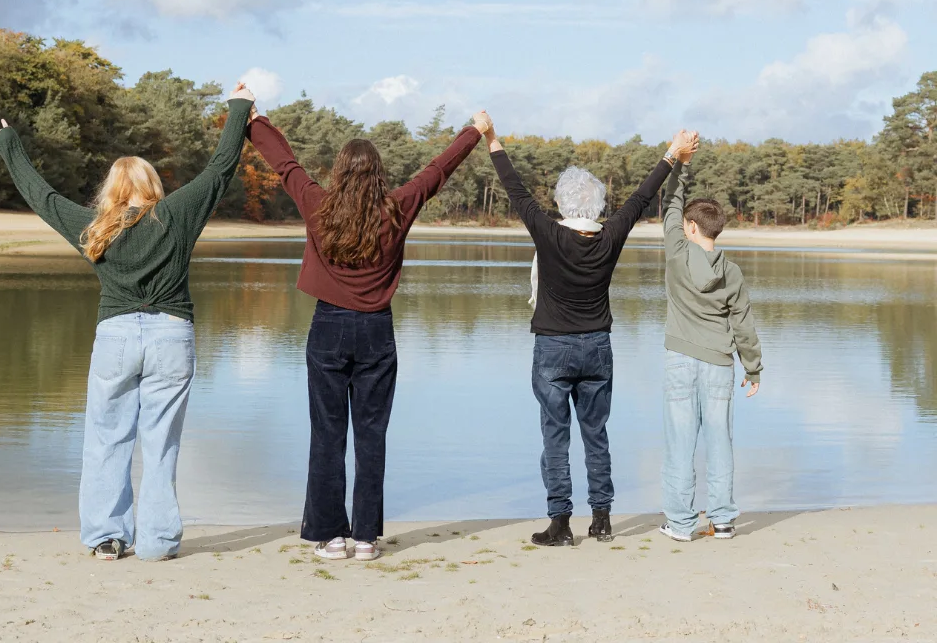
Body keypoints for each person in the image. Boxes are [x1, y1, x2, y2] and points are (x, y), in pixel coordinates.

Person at [0, 83, 256, 561]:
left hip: (116, 336)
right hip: (171, 336)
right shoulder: (176, 215)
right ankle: (156, 543)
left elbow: (40, 194)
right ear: (153, 186)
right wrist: (239, 106)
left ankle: (107, 538)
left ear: (111, 191)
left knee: (106, 438)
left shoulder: (94, 228)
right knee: (162, 443)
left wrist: (10, 144)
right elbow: (220, 169)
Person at [247, 104, 490, 561]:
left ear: (339, 172)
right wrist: (474, 131)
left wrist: (253, 120)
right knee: (371, 435)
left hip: (328, 330)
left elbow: (285, 164)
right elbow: (437, 171)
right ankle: (364, 539)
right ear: (378, 174)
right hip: (377, 332)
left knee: (328, 435)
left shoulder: (318, 204)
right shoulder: (396, 208)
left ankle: (330, 537)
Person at [481, 112, 696, 547]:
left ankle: (560, 523)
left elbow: (516, 190)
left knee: (554, 436)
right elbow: (640, 197)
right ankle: (602, 520)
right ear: (597, 206)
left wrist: (492, 139)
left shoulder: (549, 234)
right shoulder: (610, 235)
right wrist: (672, 153)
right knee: (595, 434)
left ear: (562, 204)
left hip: (553, 349)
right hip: (597, 346)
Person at [659, 149, 762, 542]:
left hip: (681, 360)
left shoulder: (677, 250)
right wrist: (753, 369)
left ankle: (682, 525)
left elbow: (669, 202)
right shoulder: (731, 271)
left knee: (679, 444)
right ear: (715, 230)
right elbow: (743, 324)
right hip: (720, 364)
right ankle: (722, 522)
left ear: (690, 228)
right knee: (720, 442)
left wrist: (681, 163)